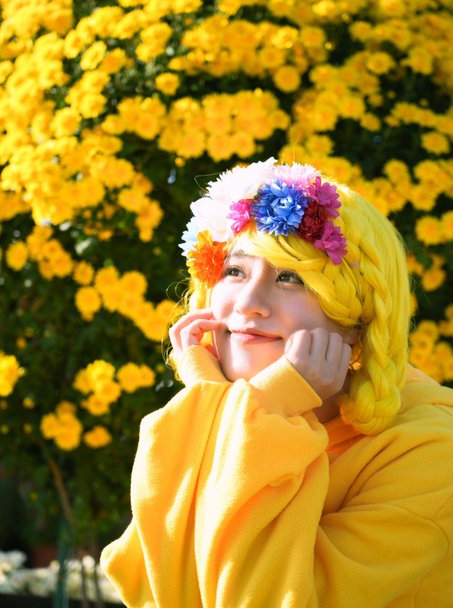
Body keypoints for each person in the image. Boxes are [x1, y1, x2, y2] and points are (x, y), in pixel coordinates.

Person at [101, 158, 453, 607]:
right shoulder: (224, 406)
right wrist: (212, 399)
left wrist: (267, 407)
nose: (249, 303)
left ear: (357, 323)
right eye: (235, 271)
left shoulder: (432, 452)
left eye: (291, 278)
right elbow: (151, 584)